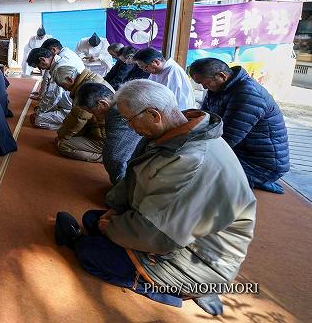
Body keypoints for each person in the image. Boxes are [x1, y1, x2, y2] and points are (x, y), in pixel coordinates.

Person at [54, 79, 256, 316]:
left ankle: (184, 290)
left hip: (200, 259)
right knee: (92, 219)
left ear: (153, 114)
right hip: (172, 230)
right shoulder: (179, 133)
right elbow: (134, 179)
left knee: (90, 252)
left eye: (130, 120)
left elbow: (158, 235)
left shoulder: (190, 161)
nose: (129, 126)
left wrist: (112, 227)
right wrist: (116, 210)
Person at [189, 58, 289, 194]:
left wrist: (191, 148)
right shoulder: (218, 88)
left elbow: (227, 139)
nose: (204, 88)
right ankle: (247, 179)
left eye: (205, 83)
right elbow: (205, 118)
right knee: (191, 160)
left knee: (199, 174)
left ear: (221, 76)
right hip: (241, 152)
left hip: (262, 164)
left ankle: (257, 180)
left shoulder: (248, 94)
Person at [74, 82, 141, 184]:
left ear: (103, 104)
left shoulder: (117, 114)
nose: (94, 116)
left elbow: (115, 158)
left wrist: (120, 188)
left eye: (92, 112)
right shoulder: (120, 98)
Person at [52, 66, 113, 162]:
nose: (65, 89)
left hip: (105, 138)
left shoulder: (86, 91)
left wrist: (61, 136)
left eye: (63, 86)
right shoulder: (91, 79)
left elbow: (79, 118)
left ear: (69, 80)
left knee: (64, 145)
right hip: (102, 132)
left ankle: (106, 158)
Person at [26, 44, 85, 130]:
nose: (40, 69)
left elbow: (53, 96)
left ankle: (72, 127)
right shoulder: (64, 56)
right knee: (42, 107)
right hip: (72, 103)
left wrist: (39, 112)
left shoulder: (58, 69)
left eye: (38, 66)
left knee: (36, 119)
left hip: (72, 108)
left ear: (42, 59)